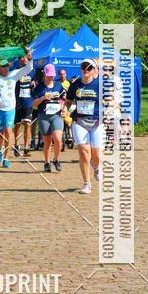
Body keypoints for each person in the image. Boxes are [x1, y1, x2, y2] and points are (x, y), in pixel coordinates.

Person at [63, 59, 103, 194]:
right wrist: (65, 109)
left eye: (88, 67)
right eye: (83, 67)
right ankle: (87, 183)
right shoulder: (75, 85)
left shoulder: (100, 85)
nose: (85, 69)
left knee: (96, 155)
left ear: (94, 70)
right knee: (84, 153)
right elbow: (68, 101)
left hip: (97, 121)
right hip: (80, 121)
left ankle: (96, 167)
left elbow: (110, 100)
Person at [32, 64, 65, 172]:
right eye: (49, 75)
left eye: (52, 75)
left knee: (58, 139)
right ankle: (47, 162)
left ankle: (56, 159)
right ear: (44, 74)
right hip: (44, 116)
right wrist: (43, 98)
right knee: (47, 142)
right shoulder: (39, 87)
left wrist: (64, 107)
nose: (51, 77)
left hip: (57, 116)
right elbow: (34, 104)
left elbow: (64, 98)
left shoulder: (58, 85)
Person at [13, 64, 35, 156]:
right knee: (17, 125)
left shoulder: (33, 72)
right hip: (17, 102)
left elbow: (36, 83)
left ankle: (26, 148)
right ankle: (16, 145)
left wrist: (34, 84)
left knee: (27, 124)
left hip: (28, 103)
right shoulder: (15, 73)